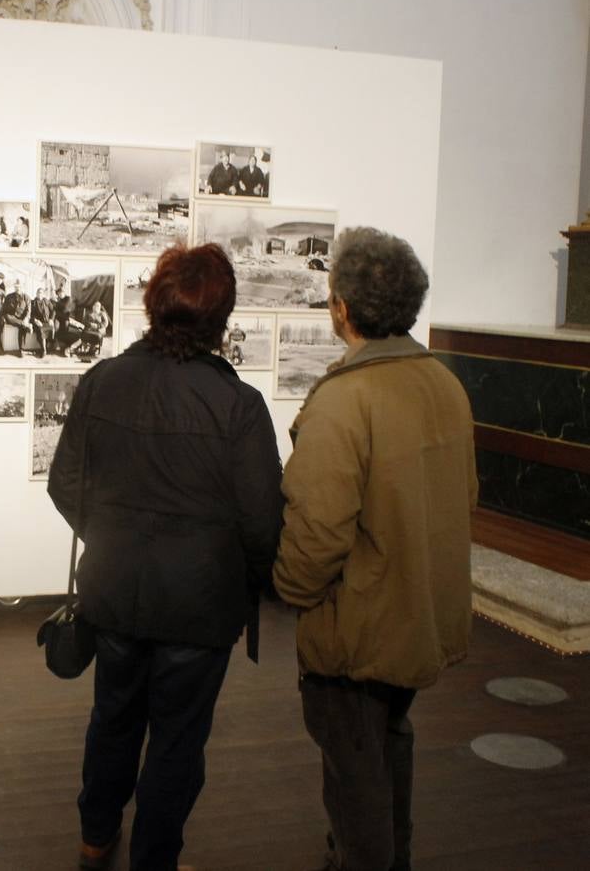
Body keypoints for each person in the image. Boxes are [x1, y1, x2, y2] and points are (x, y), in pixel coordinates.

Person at [48, 243, 284, 871]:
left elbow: (64, 484)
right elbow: (264, 522)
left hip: (114, 592)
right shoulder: (239, 406)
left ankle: (95, 837)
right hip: (200, 609)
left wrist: (111, 540)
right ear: (222, 317)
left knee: (113, 719)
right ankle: (154, 859)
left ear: (154, 304)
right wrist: (247, 577)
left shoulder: (103, 380)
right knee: (177, 742)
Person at [272, 227, 477, 871]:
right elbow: (463, 496)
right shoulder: (444, 384)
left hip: (358, 632)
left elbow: (316, 534)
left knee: (355, 780)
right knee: (390, 747)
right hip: (417, 620)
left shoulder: (343, 400)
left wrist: (291, 591)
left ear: (341, 307)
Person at [1, 278, 33, 357]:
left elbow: (28, 311)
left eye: (19, 286)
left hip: (22, 318)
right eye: (16, 287)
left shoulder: (27, 297)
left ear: (22, 287)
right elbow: (4, 309)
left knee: (21, 327)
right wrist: (2, 317)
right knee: (8, 316)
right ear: (14, 287)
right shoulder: (9, 296)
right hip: (11, 317)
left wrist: (26, 319)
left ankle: (21, 350)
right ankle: (26, 325)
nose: (17, 288)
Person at [30, 287, 56, 358]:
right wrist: (36, 320)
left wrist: (51, 319)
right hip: (38, 322)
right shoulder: (33, 302)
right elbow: (30, 314)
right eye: (38, 292)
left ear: (43, 294)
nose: (39, 294)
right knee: (41, 331)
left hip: (47, 322)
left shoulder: (46, 301)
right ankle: (43, 350)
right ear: (36, 293)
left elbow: (53, 310)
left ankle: (47, 347)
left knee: (52, 330)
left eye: (41, 293)